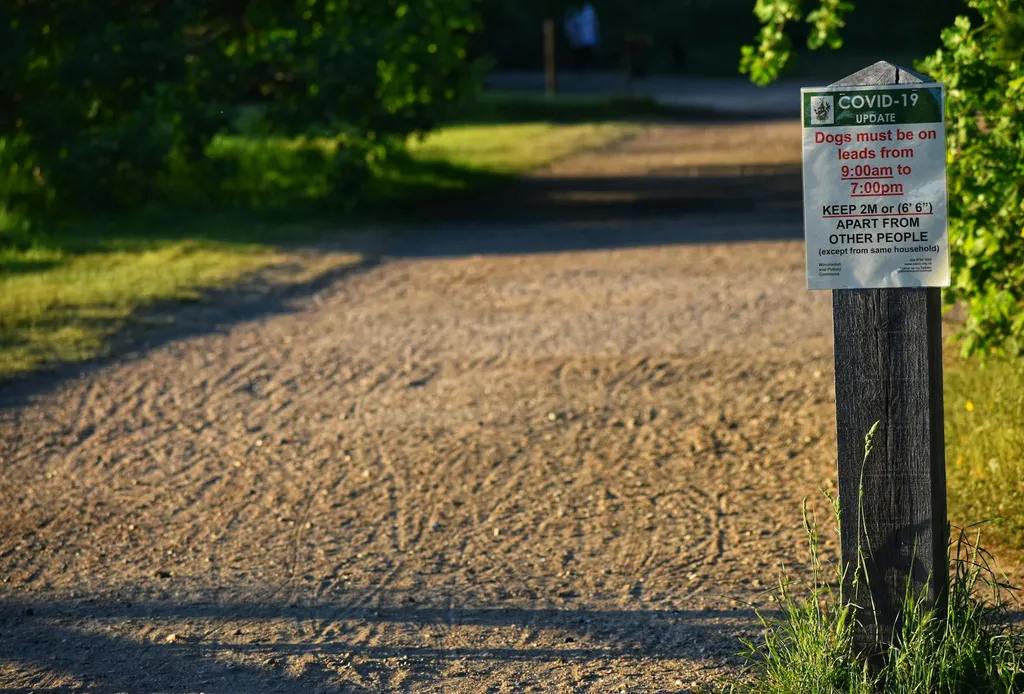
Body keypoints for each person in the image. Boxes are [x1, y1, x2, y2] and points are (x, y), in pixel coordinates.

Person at [565, 3, 599, 73]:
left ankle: (583, 69)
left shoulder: (586, 12)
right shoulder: (582, 13)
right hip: (582, 39)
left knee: (584, 55)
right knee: (581, 55)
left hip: (584, 39)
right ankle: (580, 69)